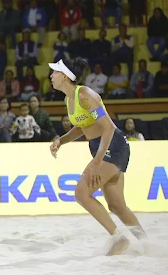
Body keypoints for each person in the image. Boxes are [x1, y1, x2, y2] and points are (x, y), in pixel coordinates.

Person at [48, 58, 146, 256]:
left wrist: (96, 161)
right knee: (116, 205)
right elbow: (82, 127)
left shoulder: (85, 94)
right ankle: (147, 243)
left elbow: (108, 127)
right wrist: (62, 141)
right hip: (100, 145)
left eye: (55, 72)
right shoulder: (69, 99)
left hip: (112, 144)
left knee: (81, 194)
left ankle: (120, 238)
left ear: (65, 76)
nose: (51, 76)